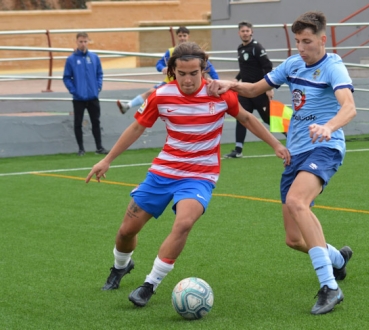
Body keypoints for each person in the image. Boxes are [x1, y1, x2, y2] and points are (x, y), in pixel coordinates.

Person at [86, 42, 290, 308]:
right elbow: (137, 128)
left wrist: (275, 143)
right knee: (127, 231)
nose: (188, 79)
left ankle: (149, 285)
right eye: (182, 73)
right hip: (163, 172)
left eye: (194, 72)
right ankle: (120, 266)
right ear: (173, 71)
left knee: (183, 223)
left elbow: (247, 119)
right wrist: (107, 159)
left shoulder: (220, 94)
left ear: (203, 70)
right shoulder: (161, 95)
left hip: (200, 176)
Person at [207, 11, 356, 315]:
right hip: (296, 152)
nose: (302, 47)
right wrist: (227, 84)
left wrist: (328, 127)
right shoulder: (292, 64)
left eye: (308, 41)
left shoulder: (334, 67)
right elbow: (252, 89)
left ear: (322, 39)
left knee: (297, 201)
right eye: (298, 41)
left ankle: (330, 287)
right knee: (293, 239)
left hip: (324, 147)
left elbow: (349, 107)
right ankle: (337, 260)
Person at [116, 26, 219, 114]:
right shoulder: (171, 51)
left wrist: (217, 81)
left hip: (189, 84)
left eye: (184, 35)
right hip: (170, 82)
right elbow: (159, 64)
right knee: (151, 93)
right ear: (177, 37)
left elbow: (209, 67)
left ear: (188, 37)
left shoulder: (194, 51)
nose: (182, 38)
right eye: (180, 36)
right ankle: (129, 106)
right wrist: (163, 68)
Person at [225, 21, 274, 159]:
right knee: (240, 117)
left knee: (269, 118)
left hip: (258, 90)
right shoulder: (240, 49)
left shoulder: (257, 48)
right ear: (239, 33)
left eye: (247, 31)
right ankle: (238, 149)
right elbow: (245, 69)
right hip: (244, 91)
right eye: (243, 31)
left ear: (251, 32)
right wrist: (236, 79)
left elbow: (267, 66)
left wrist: (269, 87)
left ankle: (293, 138)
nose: (245, 33)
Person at [63, 32, 108, 156]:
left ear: (88, 42)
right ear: (76, 42)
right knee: (78, 123)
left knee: (96, 122)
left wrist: (98, 87)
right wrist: (74, 91)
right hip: (79, 98)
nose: (83, 44)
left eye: (85, 41)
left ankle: (99, 147)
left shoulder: (94, 57)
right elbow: (67, 77)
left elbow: (99, 74)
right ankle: (81, 149)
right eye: (81, 41)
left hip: (93, 96)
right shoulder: (71, 59)